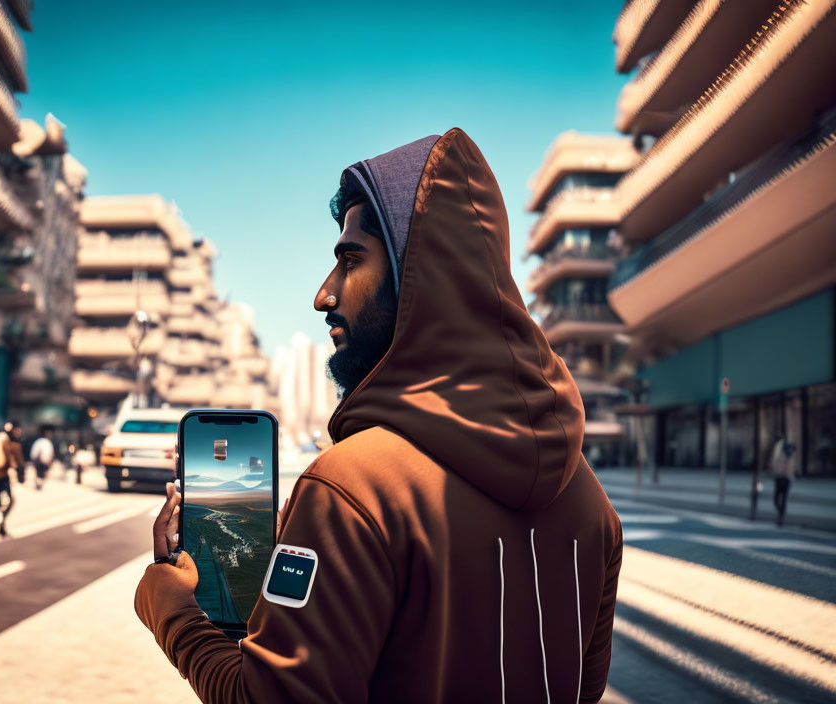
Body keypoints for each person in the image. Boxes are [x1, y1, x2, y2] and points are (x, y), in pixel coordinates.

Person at [135, 128, 623, 703]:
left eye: (350, 259)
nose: (324, 294)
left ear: (422, 279)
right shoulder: (591, 504)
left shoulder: (352, 486)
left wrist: (173, 610)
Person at [769, 434, 796, 527]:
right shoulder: (780, 451)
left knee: (781, 498)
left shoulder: (786, 452)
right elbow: (774, 463)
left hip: (784, 477)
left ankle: (780, 517)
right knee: (778, 498)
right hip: (781, 477)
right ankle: (780, 514)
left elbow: (787, 465)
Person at [29, 425, 55, 490]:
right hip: (39, 462)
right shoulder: (40, 442)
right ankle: (39, 485)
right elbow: (35, 452)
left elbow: (51, 453)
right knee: (40, 474)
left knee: (42, 475)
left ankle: (39, 484)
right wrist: (36, 459)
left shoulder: (47, 442)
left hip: (45, 462)